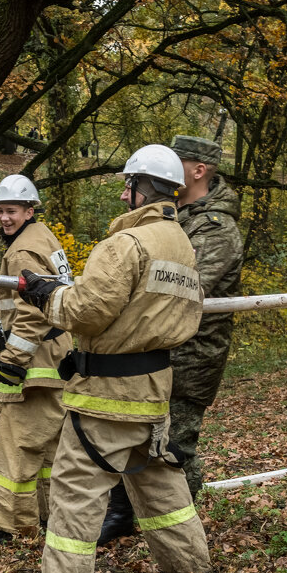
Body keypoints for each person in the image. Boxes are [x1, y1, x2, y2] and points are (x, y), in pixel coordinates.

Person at [15, 144, 211, 573]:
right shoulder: (181, 245)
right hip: (154, 392)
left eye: (129, 186)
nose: (124, 196)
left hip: (106, 397)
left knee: (75, 487)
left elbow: (87, 311)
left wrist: (46, 295)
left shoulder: (126, 244)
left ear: (144, 187)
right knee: (160, 484)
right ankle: (190, 567)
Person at [97, 136, 244, 543]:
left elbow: (184, 286)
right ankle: (122, 515)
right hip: (153, 349)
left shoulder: (216, 228)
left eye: (177, 161)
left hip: (191, 355)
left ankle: (183, 532)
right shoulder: (170, 217)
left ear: (199, 170)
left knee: (176, 445)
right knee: (133, 433)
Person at [0, 175, 73, 545]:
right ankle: (50, 515)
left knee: (16, 445)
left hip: (35, 362)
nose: (5, 218)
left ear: (29, 211)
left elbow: (32, 312)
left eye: (12, 211)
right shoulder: (44, 238)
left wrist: (13, 360)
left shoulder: (22, 252)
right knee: (49, 448)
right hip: (58, 357)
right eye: (1, 211)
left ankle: (11, 526)